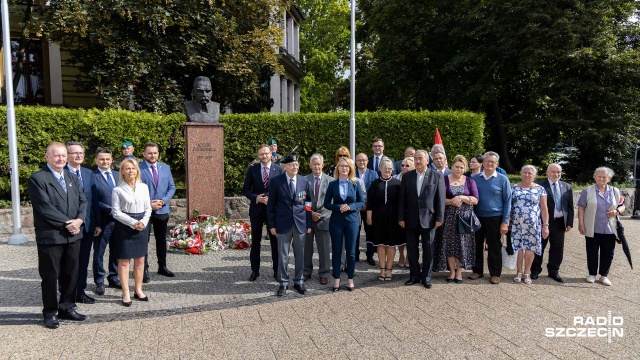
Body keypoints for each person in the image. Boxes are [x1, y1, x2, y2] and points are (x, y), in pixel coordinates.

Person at [28, 142, 88, 329]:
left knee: (71, 274)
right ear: (47, 157)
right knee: (50, 276)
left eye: (63, 155)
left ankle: (67, 307)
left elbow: (82, 201)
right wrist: (67, 223)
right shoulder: (38, 178)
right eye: (57, 156)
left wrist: (79, 220)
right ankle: (50, 312)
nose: (61, 159)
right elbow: (44, 208)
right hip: (51, 237)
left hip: (73, 235)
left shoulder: (71, 176)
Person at [398, 150, 446, 289]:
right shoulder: (407, 176)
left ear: (427, 161)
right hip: (410, 219)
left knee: (428, 250)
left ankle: (426, 277)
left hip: (429, 220)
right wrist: (401, 217)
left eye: (420, 158)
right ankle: (414, 276)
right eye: (415, 158)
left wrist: (439, 218)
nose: (418, 161)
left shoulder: (436, 176)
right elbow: (402, 199)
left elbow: (440, 199)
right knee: (412, 249)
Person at [267, 154, 312, 296]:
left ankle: (299, 281)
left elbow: (308, 203)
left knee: (300, 254)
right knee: (283, 255)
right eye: (292, 164)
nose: (295, 167)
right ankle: (283, 282)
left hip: (300, 223)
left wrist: (309, 222)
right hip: (282, 223)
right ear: (285, 166)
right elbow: (271, 205)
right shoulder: (276, 182)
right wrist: (272, 225)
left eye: (297, 164)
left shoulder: (304, 181)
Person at [111, 159, 152, 306]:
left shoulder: (144, 187)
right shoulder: (118, 190)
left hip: (142, 223)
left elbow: (148, 208)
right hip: (125, 225)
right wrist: (133, 223)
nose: (131, 171)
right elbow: (115, 212)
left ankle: (138, 289)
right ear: (122, 171)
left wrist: (144, 222)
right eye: (127, 169)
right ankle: (126, 292)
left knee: (140, 259)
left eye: (133, 168)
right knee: (124, 261)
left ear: (137, 171)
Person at [433, 155, 478, 283]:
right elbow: (439, 199)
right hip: (448, 218)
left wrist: (463, 198)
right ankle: (452, 271)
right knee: (449, 245)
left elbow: (475, 200)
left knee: (462, 245)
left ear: (465, 169)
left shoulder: (470, 181)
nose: (458, 169)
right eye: (456, 167)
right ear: (451, 166)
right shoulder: (444, 179)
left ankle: (459, 271)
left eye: (461, 167)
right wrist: (452, 201)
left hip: (465, 219)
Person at [242, 144, 284, 281]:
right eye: (261, 154)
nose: (264, 156)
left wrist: (270, 197)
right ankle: (255, 270)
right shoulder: (253, 170)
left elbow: (283, 189)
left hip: (273, 211)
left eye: (266, 153)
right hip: (257, 210)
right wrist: (257, 198)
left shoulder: (279, 169)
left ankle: (277, 271)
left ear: (271, 154)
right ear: (258, 156)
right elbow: (246, 190)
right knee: (256, 241)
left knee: (275, 242)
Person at [577, 167, 625, 286]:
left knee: (608, 253)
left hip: (610, 228)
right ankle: (592, 274)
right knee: (592, 251)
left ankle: (604, 276)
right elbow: (581, 207)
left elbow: (622, 206)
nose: (602, 178)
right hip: (592, 227)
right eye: (599, 176)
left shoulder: (615, 191)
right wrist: (581, 223)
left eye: (604, 177)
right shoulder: (587, 191)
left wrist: (617, 211)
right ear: (594, 177)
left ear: (609, 178)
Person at [469, 151, 512, 284]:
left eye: (492, 162)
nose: (489, 164)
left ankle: (495, 273)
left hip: (495, 217)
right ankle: (477, 271)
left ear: (497, 164)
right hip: (477, 216)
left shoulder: (502, 179)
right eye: (487, 161)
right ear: (482, 163)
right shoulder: (475, 179)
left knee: (494, 246)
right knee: (476, 244)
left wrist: (505, 221)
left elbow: (508, 201)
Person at [324, 157, 365, 292]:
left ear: (350, 169)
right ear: (337, 168)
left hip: (352, 221)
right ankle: (336, 280)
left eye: (346, 166)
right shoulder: (332, 184)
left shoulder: (355, 183)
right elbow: (327, 203)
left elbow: (361, 202)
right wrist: (338, 207)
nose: (344, 168)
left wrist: (350, 206)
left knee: (351, 252)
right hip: (336, 220)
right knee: (336, 251)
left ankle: (350, 280)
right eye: (341, 166)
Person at [64, 141, 96, 304]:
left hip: (88, 226)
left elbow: (93, 200)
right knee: (68, 262)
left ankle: (80, 291)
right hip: (68, 226)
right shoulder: (61, 173)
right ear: (67, 155)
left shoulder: (89, 173)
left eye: (81, 153)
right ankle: (66, 293)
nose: (78, 156)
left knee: (83, 260)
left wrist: (96, 224)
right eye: (74, 153)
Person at [139, 142, 176, 281]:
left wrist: (163, 201)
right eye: (149, 153)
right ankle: (144, 269)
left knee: (161, 240)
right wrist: (149, 204)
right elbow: (134, 188)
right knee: (144, 240)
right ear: (144, 154)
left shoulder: (165, 168)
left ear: (158, 153)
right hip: (144, 210)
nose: (152, 155)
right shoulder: (138, 168)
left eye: (155, 153)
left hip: (162, 209)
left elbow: (172, 187)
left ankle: (162, 266)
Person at [531, 163, 574, 282]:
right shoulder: (539, 186)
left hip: (560, 222)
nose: (556, 174)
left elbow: (570, 206)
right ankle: (535, 270)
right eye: (553, 172)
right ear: (547, 173)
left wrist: (569, 222)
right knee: (539, 246)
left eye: (558, 172)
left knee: (557, 248)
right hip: (543, 222)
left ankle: (553, 271)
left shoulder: (567, 186)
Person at [510, 165, 549, 285]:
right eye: (525, 172)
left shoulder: (540, 189)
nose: (527, 175)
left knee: (530, 248)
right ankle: (518, 272)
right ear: (521, 174)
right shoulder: (514, 188)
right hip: (517, 224)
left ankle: (527, 272)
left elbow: (543, 208)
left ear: (534, 176)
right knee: (519, 247)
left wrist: (545, 225)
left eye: (530, 173)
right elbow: (509, 205)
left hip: (533, 224)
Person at [366, 157, 403, 281]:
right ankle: (382, 269)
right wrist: (369, 216)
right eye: (384, 168)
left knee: (391, 244)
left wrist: (401, 218)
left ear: (392, 169)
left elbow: (401, 203)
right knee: (381, 244)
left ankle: (389, 269)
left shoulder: (398, 183)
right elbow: (370, 201)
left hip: (393, 219)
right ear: (380, 169)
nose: (387, 170)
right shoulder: (375, 183)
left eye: (389, 168)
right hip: (378, 218)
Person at [91, 148, 122, 294]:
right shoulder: (92, 176)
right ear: (96, 160)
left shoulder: (118, 175)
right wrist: (109, 209)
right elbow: (92, 200)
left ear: (112, 160)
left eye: (108, 159)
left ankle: (114, 277)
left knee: (116, 250)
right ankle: (99, 281)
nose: (105, 162)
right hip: (102, 221)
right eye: (102, 159)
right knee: (99, 252)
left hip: (119, 221)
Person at [303, 154, 334, 285]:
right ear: (310, 166)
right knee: (306, 248)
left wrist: (320, 215)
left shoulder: (331, 181)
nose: (316, 166)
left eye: (318, 164)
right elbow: (300, 200)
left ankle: (324, 273)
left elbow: (333, 202)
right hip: (308, 220)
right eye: (314, 164)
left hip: (324, 219)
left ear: (323, 165)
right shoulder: (303, 181)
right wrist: (310, 214)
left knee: (324, 249)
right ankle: (306, 271)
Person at [355, 152, 378, 264]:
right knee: (355, 232)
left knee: (370, 233)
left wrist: (368, 205)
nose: (362, 162)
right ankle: (355, 254)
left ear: (367, 161)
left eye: (364, 160)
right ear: (356, 162)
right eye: (359, 160)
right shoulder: (351, 173)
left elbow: (376, 192)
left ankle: (370, 255)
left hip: (370, 209)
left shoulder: (374, 174)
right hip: (356, 209)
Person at [394, 156, 414, 268]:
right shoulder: (395, 178)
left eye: (407, 165)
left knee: (410, 236)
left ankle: (408, 257)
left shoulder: (415, 178)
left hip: (410, 211)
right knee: (400, 235)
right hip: (397, 211)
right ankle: (401, 255)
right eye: (402, 165)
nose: (404, 167)